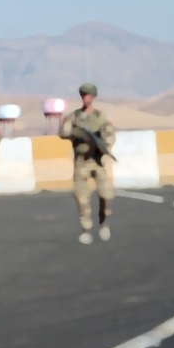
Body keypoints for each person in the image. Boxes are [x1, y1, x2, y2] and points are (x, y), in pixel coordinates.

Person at [59, 83, 116, 244]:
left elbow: (110, 135)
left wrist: (104, 148)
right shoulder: (73, 117)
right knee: (82, 197)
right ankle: (86, 228)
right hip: (81, 161)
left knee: (106, 194)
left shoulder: (100, 116)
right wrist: (78, 134)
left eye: (89, 95)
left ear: (93, 97)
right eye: (83, 95)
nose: (86, 97)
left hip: (97, 161)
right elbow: (63, 132)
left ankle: (103, 222)